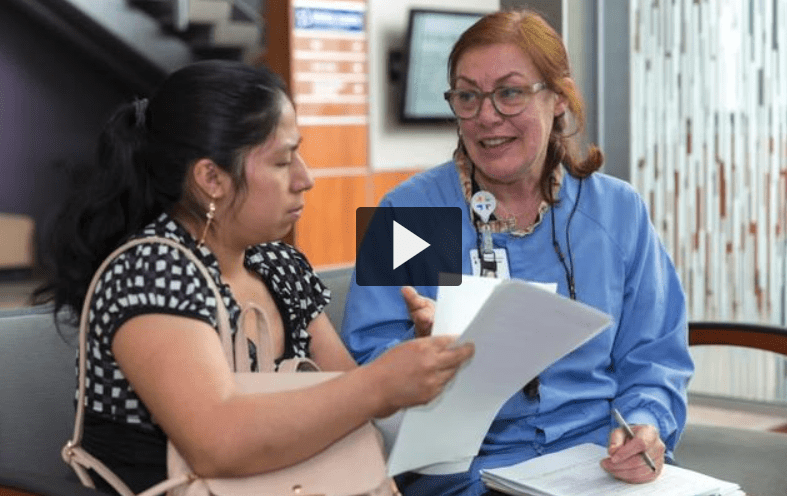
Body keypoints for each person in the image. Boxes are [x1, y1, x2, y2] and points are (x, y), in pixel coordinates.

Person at [35, 59, 473, 494]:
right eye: (283, 162)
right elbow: (218, 445)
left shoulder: (279, 265)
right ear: (211, 178)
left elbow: (350, 405)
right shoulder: (148, 271)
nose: (306, 178)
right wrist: (379, 385)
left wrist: (419, 364)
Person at [341, 9, 693, 495]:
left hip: (599, 465)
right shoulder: (414, 212)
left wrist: (645, 428)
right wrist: (416, 355)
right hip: (465, 473)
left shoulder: (614, 211)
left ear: (559, 99)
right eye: (468, 96)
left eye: (509, 92)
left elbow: (654, 359)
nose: (487, 116)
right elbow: (365, 370)